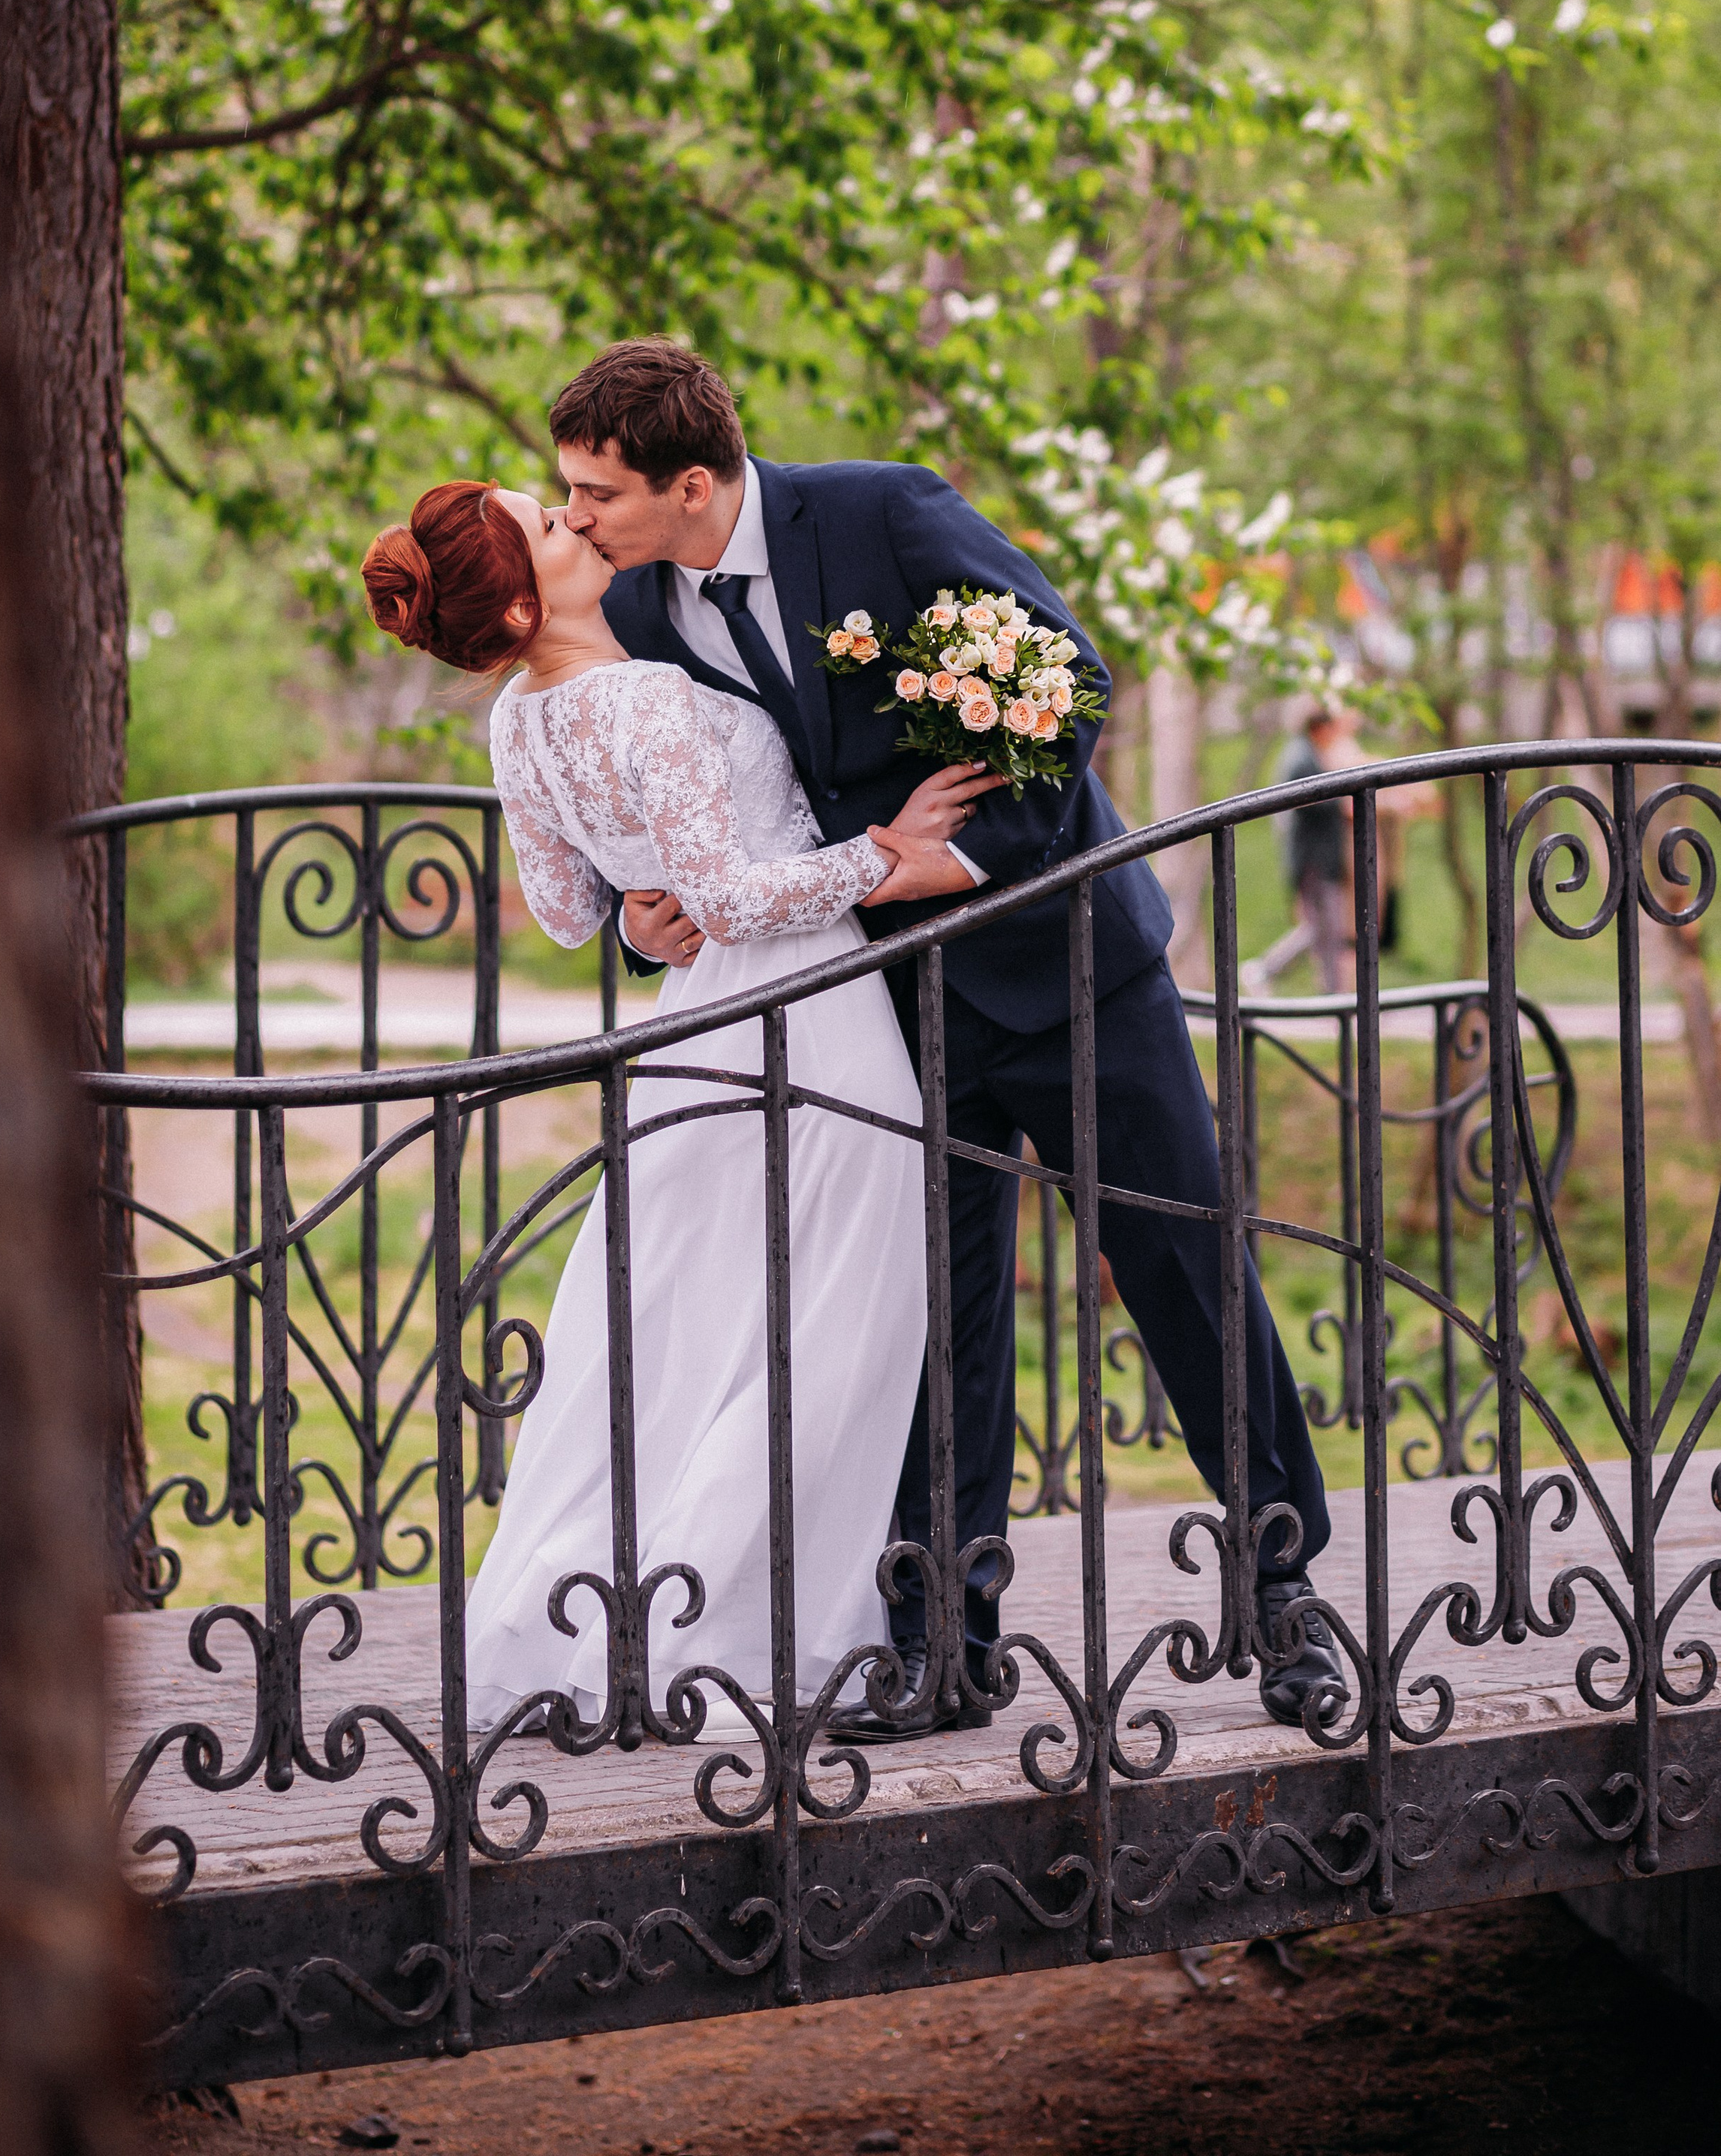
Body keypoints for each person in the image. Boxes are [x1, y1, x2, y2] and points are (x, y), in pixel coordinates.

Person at [549, 339, 1346, 1735]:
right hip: (881, 1006)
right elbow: (639, 800)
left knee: (1183, 1268)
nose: (574, 519)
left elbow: (1067, 684)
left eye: (596, 493)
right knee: (940, 1321)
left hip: (1071, 965)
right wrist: (643, 920)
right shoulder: (629, 602)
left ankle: (1286, 1596)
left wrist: (952, 868)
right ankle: (945, 1641)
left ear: (690, 483)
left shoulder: (882, 513)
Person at [360, 477, 996, 1739]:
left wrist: (640, 911)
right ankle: (724, 1625)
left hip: (689, 1034)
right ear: (531, 596)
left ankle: (620, 1608)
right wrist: (890, 850)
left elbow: (563, 911)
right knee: (827, 1326)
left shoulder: (515, 721)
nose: (575, 518)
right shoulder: (645, 699)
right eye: (550, 524)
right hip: (802, 1018)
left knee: (686, 1326)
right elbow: (747, 897)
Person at [1243, 706, 1356, 997]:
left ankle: (1329, 992)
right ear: (1319, 728)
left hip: (1315, 858)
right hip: (1315, 859)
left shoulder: (1303, 755)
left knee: (1323, 929)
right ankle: (1267, 970)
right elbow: (1320, 805)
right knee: (1324, 928)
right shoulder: (1303, 760)